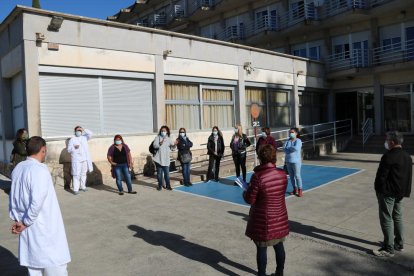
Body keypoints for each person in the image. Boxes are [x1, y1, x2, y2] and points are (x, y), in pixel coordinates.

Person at [9, 136, 71, 275]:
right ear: (43, 150)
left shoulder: (18, 168)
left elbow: (13, 199)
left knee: (34, 269)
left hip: (27, 230)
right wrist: (25, 222)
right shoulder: (40, 170)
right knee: (55, 266)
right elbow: (37, 201)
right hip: (45, 230)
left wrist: (18, 221)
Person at [243, 144, 289, 276]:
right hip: (279, 216)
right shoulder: (282, 174)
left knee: (261, 248)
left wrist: (246, 191)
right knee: (279, 245)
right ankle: (279, 273)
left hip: (264, 219)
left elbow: (250, 199)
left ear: (260, 158)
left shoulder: (258, 176)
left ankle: (261, 274)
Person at [372, 131, 412, 257]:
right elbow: (408, 177)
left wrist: (378, 189)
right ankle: (399, 244)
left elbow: (381, 176)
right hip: (400, 192)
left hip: (387, 192)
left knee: (386, 218)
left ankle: (388, 248)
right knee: (397, 217)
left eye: (387, 140)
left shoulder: (388, 156)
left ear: (392, 142)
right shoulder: (407, 156)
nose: (386, 142)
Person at [67, 126, 93, 195]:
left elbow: (90, 134)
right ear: (75, 131)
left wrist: (84, 129)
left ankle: (83, 187)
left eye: (80, 130)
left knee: (84, 173)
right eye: (77, 130)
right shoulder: (72, 139)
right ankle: (76, 189)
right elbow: (69, 150)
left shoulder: (84, 137)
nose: (79, 131)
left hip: (84, 159)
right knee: (76, 174)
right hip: (77, 160)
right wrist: (74, 147)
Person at [153, 125, 177, 191]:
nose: (163, 132)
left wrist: (175, 144)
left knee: (167, 174)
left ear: (167, 132)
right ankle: (160, 185)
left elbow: (172, 148)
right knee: (159, 174)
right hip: (158, 159)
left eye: (164, 131)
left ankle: (168, 185)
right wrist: (160, 143)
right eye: (162, 131)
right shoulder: (157, 138)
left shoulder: (168, 139)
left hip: (166, 159)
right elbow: (155, 146)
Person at [283, 127, 303, 197]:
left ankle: (300, 189)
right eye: (290, 132)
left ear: (296, 133)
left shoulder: (298, 141)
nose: (291, 133)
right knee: (291, 176)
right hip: (288, 161)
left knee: (297, 176)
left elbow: (296, 148)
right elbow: (284, 149)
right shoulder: (287, 141)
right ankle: (295, 189)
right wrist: (290, 149)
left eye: (292, 132)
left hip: (296, 161)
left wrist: (288, 149)